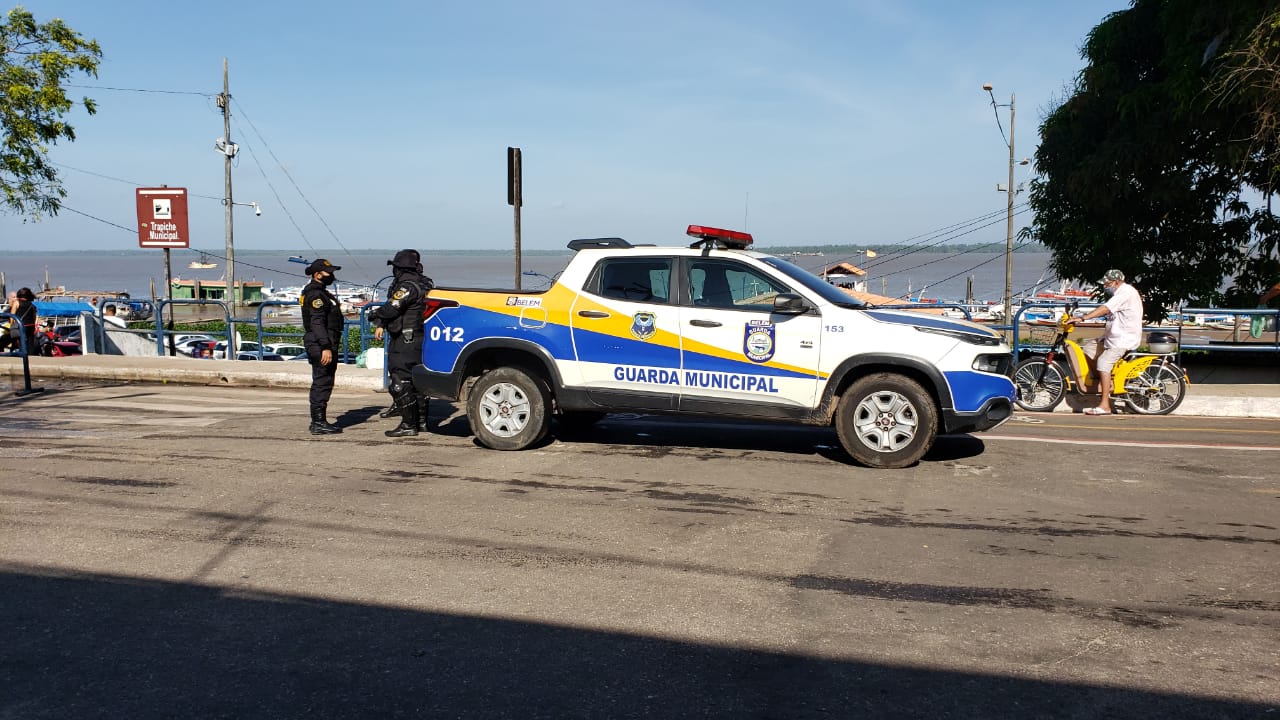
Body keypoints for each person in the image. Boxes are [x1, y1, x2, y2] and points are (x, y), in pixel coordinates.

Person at [369, 249, 433, 438]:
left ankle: (408, 424)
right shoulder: (425, 283)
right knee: (417, 383)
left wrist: (376, 316)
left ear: (398, 268)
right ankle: (421, 423)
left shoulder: (407, 286)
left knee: (400, 382)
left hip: (406, 341)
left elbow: (392, 307)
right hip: (420, 338)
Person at [1072, 269, 1144, 415]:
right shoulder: (1119, 293)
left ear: (1116, 282)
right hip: (1112, 337)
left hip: (1122, 339)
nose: (1105, 286)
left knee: (1103, 363)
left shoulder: (1125, 293)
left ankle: (1105, 405)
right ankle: (1104, 381)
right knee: (1087, 349)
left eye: (1107, 283)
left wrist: (1084, 318)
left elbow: (1105, 309)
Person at [301, 259, 345, 435]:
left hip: (325, 341)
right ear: (317, 275)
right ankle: (318, 422)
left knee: (325, 381)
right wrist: (325, 347)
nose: (332, 276)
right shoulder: (316, 296)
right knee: (322, 382)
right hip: (320, 343)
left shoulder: (322, 293)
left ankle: (319, 420)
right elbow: (317, 322)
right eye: (328, 273)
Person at [6, 288, 38, 354]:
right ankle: (31, 355)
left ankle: (23, 355)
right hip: (31, 326)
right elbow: (34, 317)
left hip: (21, 326)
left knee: (21, 342)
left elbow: (12, 316)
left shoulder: (17, 302)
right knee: (30, 342)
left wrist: (11, 326)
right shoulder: (32, 305)